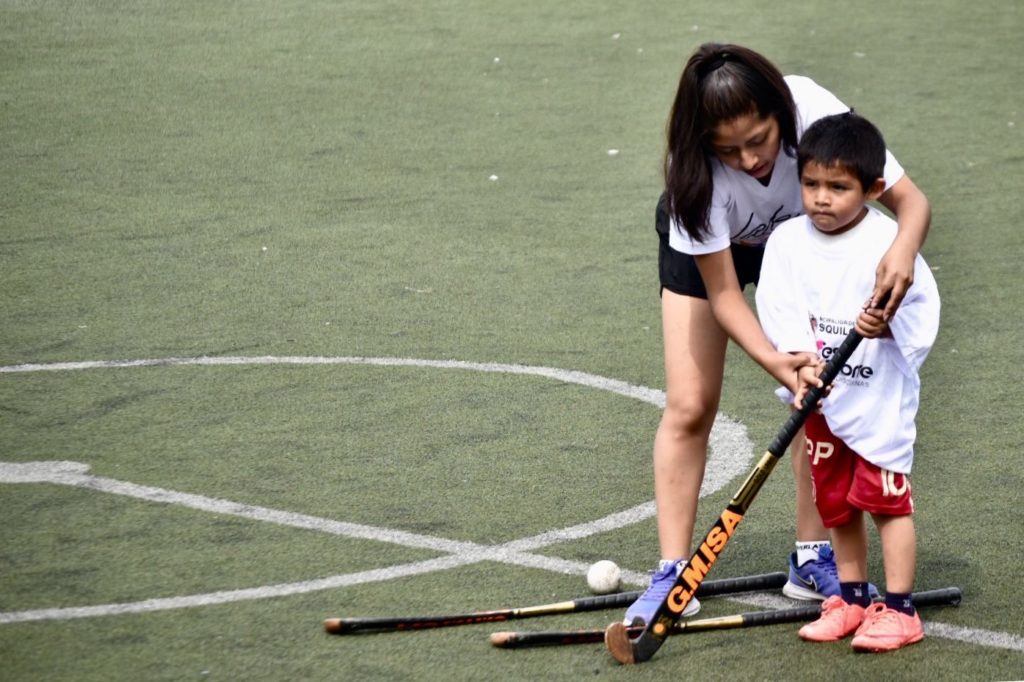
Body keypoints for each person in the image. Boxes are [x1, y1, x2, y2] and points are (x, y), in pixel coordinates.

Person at [623, 43, 931, 626]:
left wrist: (902, 250)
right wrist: (774, 359)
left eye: (759, 140)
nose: (748, 160)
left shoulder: (808, 104)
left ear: (779, 113)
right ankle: (672, 572)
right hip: (714, 258)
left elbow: (910, 202)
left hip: (805, 245)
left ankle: (812, 557)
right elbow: (724, 294)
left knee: (819, 397)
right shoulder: (694, 177)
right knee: (690, 404)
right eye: (727, 149)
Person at [755, 111, 940, 652]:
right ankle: (853, 600)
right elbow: (778, 306)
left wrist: (888, 325)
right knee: (835, 504)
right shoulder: (787, 242)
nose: (821, 198)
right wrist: (801, 365)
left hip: (877, 403)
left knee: (885, 504)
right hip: (824, 401)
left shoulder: (888, 242)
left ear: (873, 189)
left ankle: (901, 609)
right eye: (811, 183)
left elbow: (921, 311)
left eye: (838, 187)